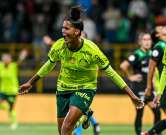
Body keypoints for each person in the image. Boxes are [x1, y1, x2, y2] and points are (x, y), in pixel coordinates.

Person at [19, 6, 144, 135]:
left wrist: (132, 95)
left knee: (67, 126)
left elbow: (111, 73)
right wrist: (30, 82)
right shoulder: (59, 45)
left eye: (67, 28)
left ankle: (83, 115)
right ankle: (85, 116)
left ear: (77, 31)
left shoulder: (92, 50)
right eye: (62, 28)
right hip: (63, 88)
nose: (63, 31)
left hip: (85, 88)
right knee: (63, 132)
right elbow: (48, 66)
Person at [43, 33, 100, 135]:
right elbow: (62, 44)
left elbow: (95, 70)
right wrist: (50, 42)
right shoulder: (72, 49)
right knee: (71, 117)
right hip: (70, 87)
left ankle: (88, 123)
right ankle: (91, 120)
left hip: (83, 88)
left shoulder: (90, 52)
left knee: (72, 118)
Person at [120, 33, 161, 135]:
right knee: (140, 113)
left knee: (157, 112)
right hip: (139, 88)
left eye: (149, 39)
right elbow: (123, 66)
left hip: (150, 89)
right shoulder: (137, 54)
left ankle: (156, 132)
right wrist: (130, 77)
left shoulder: (153, 53)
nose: (147, 42)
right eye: (144, 39)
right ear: (140, 42)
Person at [142, 25, 166, 135]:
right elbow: (151, 68)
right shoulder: (159, 46)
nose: (164, 26)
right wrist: (149, 87)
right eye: (160, 28)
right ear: (157, 35)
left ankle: (149, 133)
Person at [0, 49, 28, 130]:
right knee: (6, 106)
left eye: (7, 58)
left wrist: (22, 56)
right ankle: (8, 109)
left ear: (10, 60)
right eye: (4, 58)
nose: (5, 60)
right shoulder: (1, 66)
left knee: (12, 108)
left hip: (12, 91)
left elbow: (19, 62)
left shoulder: (13, 66)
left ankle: (14, 123)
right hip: (3, 90)